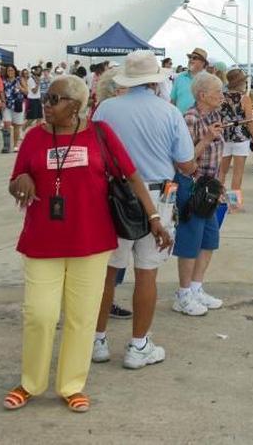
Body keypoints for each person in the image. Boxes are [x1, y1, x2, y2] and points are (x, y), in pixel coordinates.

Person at [3, 75, 163, 413]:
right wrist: (22, 180)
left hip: (91, 241)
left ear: (75, 106)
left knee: (81, 317)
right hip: (42, 241)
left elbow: (131, 176)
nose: (46, 105)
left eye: (55, 99)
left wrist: (155, 218)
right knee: (40, 315)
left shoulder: (99, 135)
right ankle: (31, 382)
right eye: (46, 98)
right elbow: (14, 181)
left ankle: (71, 385)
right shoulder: (33, 138)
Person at [90, 51, 185, 368]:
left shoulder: (106, 108)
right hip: (158, 198)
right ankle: (138, 345)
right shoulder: (169, 112)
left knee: (108, 273)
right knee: (148, 273)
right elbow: (185, 162)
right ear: (155, 80)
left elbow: (95, 150)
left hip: (114, 196)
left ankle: (98, 340)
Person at [172, 72, 226, 316]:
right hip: (192, 185)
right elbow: (183, 159)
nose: (222, 97)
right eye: (218, 93)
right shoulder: (190, 118)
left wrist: (219, 184)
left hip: (210, 186)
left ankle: (196, 288)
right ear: (202, 95)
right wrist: (206, 138)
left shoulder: (214, 114)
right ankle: (183, 294)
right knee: (190, 240)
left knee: (209, 240)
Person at [219, 68, 253, 210]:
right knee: (238, 173)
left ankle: (218, 199)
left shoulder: (220, 97)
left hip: (224, 137)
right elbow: (250, 122)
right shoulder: (245, 99)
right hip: (241, 139)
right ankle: (234, 204)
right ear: (240, 82)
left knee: (221, 172)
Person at [170, 48, 208, 113]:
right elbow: (173, 101)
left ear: (203, 63)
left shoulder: (209, 80)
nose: (191, 60)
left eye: (195, 58)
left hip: (202, 121)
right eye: (190, 57)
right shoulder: (180, 77)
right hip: (180, 121)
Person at [1, 64, 28, 153]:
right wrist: (3, 101)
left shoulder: (20, 79)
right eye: (8, 70)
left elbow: (27, 92)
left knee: (16, 125)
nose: (10, 72)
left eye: (12, 70)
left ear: (15, 71)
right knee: (7, 124)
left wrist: (20, 88)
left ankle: (15, 145)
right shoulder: (3, 81)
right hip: (7, 105)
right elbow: (2, 92)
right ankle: (6, 145)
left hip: (17, 104)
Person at [26, 65, 44, 129]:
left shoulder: (37, 78)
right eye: (38, 70)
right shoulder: (31, 80)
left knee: (39, 117)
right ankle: (22, 130)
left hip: (38, 99)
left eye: (40, 70)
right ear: (34, 71)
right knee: (31, 119)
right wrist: (38, 83)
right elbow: (34, 91)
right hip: (32, 100)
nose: (40, 72)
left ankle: (37, 132)